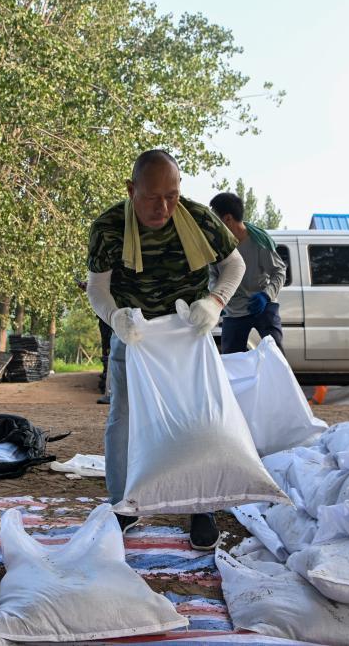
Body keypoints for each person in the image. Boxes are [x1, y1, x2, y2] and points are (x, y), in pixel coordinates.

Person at [86, 149, 246, 550]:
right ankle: (124, 504)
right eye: (152, 196)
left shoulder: (198, 218)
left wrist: (215, 302)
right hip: (136, 335)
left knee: (198, 419)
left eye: (171, 195)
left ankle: (200, 506)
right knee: (123, 419)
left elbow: (234, 266)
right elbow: (97, 289)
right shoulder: (108, 228)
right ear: (131, 189)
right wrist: (116, 319)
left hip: (188, 331)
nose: (163, 207)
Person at [208, 192, 287, 354]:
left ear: (228, 219)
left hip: (262, 306)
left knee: (276, 354)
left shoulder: (259, 241)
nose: (212, 224)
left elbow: (279, 272)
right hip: (233, 310)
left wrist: (265, 295)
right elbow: (212, 276)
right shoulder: (216, 246)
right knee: (231, 360)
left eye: (215, 219)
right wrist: (218, 298)